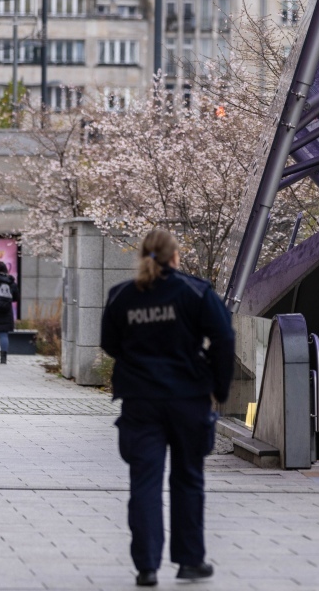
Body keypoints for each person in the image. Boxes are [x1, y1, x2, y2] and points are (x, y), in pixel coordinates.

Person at [101, 229, 234, 587]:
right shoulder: (195, 291)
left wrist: (139, 362)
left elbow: (110, 343)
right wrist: (219, 388)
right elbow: (224, 337)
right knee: (188, 478)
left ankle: (146, 567)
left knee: (144, 481)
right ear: (175, 256)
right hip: (188, 399)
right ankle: (190, 561)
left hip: (141, 401)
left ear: (142, 255)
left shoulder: (122, 296)